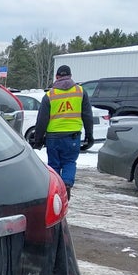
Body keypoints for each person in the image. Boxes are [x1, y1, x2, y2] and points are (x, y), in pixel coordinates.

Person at [32, 65, 94, 199]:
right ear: (71, 76)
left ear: (57, 77)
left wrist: (38, 140)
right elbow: (87, 115)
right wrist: (89, 135)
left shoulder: (50, 95)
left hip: (53, 137)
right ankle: (67, 184)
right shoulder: (80, 92)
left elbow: (41, 120)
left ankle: (55, 192)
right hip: (73, 136)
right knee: (69, 162)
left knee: (54, 164)